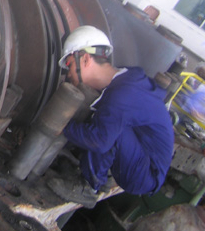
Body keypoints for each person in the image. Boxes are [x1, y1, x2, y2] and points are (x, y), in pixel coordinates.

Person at [48, 25, 174, 208]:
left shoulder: (122, 94)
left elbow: (100, 141)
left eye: (69, 65)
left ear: (85, 59)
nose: (68, 75)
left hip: (144, 176)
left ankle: (87, 187)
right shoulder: (125, 79)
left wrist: (63, 126)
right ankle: (99, 175)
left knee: (104, 133)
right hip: (142, 159)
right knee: (106, 121)